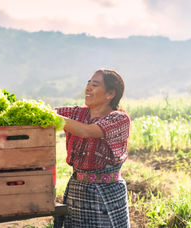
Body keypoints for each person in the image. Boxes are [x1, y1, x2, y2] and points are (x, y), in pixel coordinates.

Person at [54, 69, 131, 228]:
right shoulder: (77, 113)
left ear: (110, 94)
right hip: (78, 190)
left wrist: (51, 117)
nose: (88, 88)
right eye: (88, 84)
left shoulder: (119, 118)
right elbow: (51, 112)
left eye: (94, 85)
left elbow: (86, 131)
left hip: (106, 193)